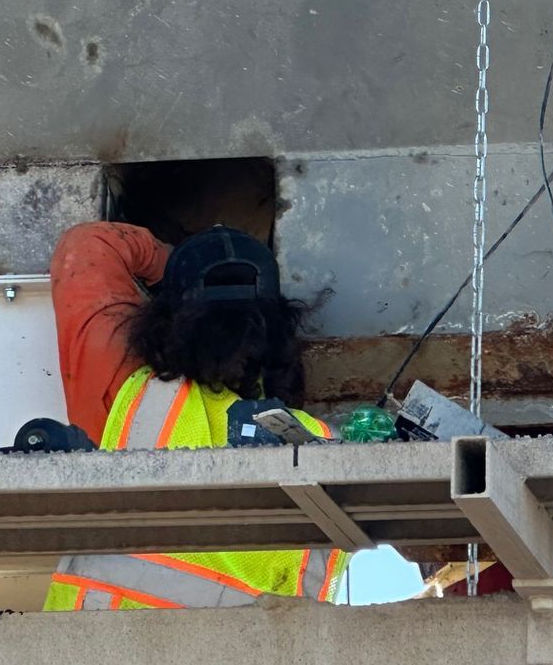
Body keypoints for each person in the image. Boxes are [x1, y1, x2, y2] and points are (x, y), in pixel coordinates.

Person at [43, 220, 345, 610]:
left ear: (161, 323)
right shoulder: (321, 444)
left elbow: (87, 247)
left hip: (98, 640)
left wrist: (169, 261)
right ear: (283, 338)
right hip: (260, 648)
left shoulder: (129, 392)